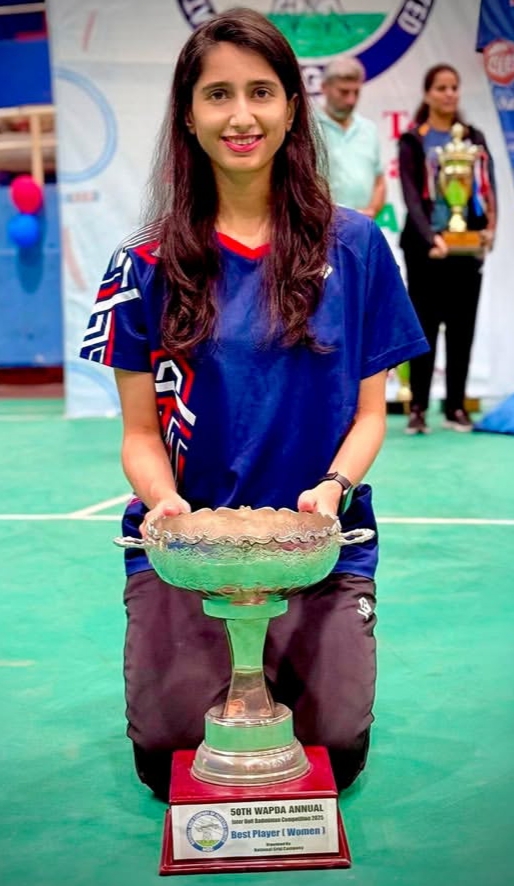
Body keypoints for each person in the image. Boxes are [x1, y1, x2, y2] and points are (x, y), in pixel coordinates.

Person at [80, 8, 427, 801]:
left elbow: (372, 414)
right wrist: (168, 508)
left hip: (320, 537)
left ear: (292, 109)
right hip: (188, 545)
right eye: (218, 95)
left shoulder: (358, 248)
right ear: (189, 116)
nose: (242, 115)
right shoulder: (141, 263)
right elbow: (138, 433)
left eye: (262, 92)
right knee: (169, 751)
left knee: (332, 747)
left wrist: (331, 491)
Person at [399, 63, 497, 435]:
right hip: (426, 250)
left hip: (465, 249)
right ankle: (419, 408)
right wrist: (431, 238)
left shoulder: (474, 138)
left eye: (454, 87)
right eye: (441, 87)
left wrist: (490, 229)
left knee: (462, 327)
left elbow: (489, 189)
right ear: (428, 94)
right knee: (423, 328)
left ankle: (456, 406)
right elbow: (410, 194)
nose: (449, 93)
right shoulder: (414, 139)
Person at [316, 56, 386, 218]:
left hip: (364, 228)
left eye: (356, 92)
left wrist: (371, 212)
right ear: (324, 87)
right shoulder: (308, 128)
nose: (351, 100)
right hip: (321, 229)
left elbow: (379, 182)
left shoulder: (369, 129)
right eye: (344, 92)